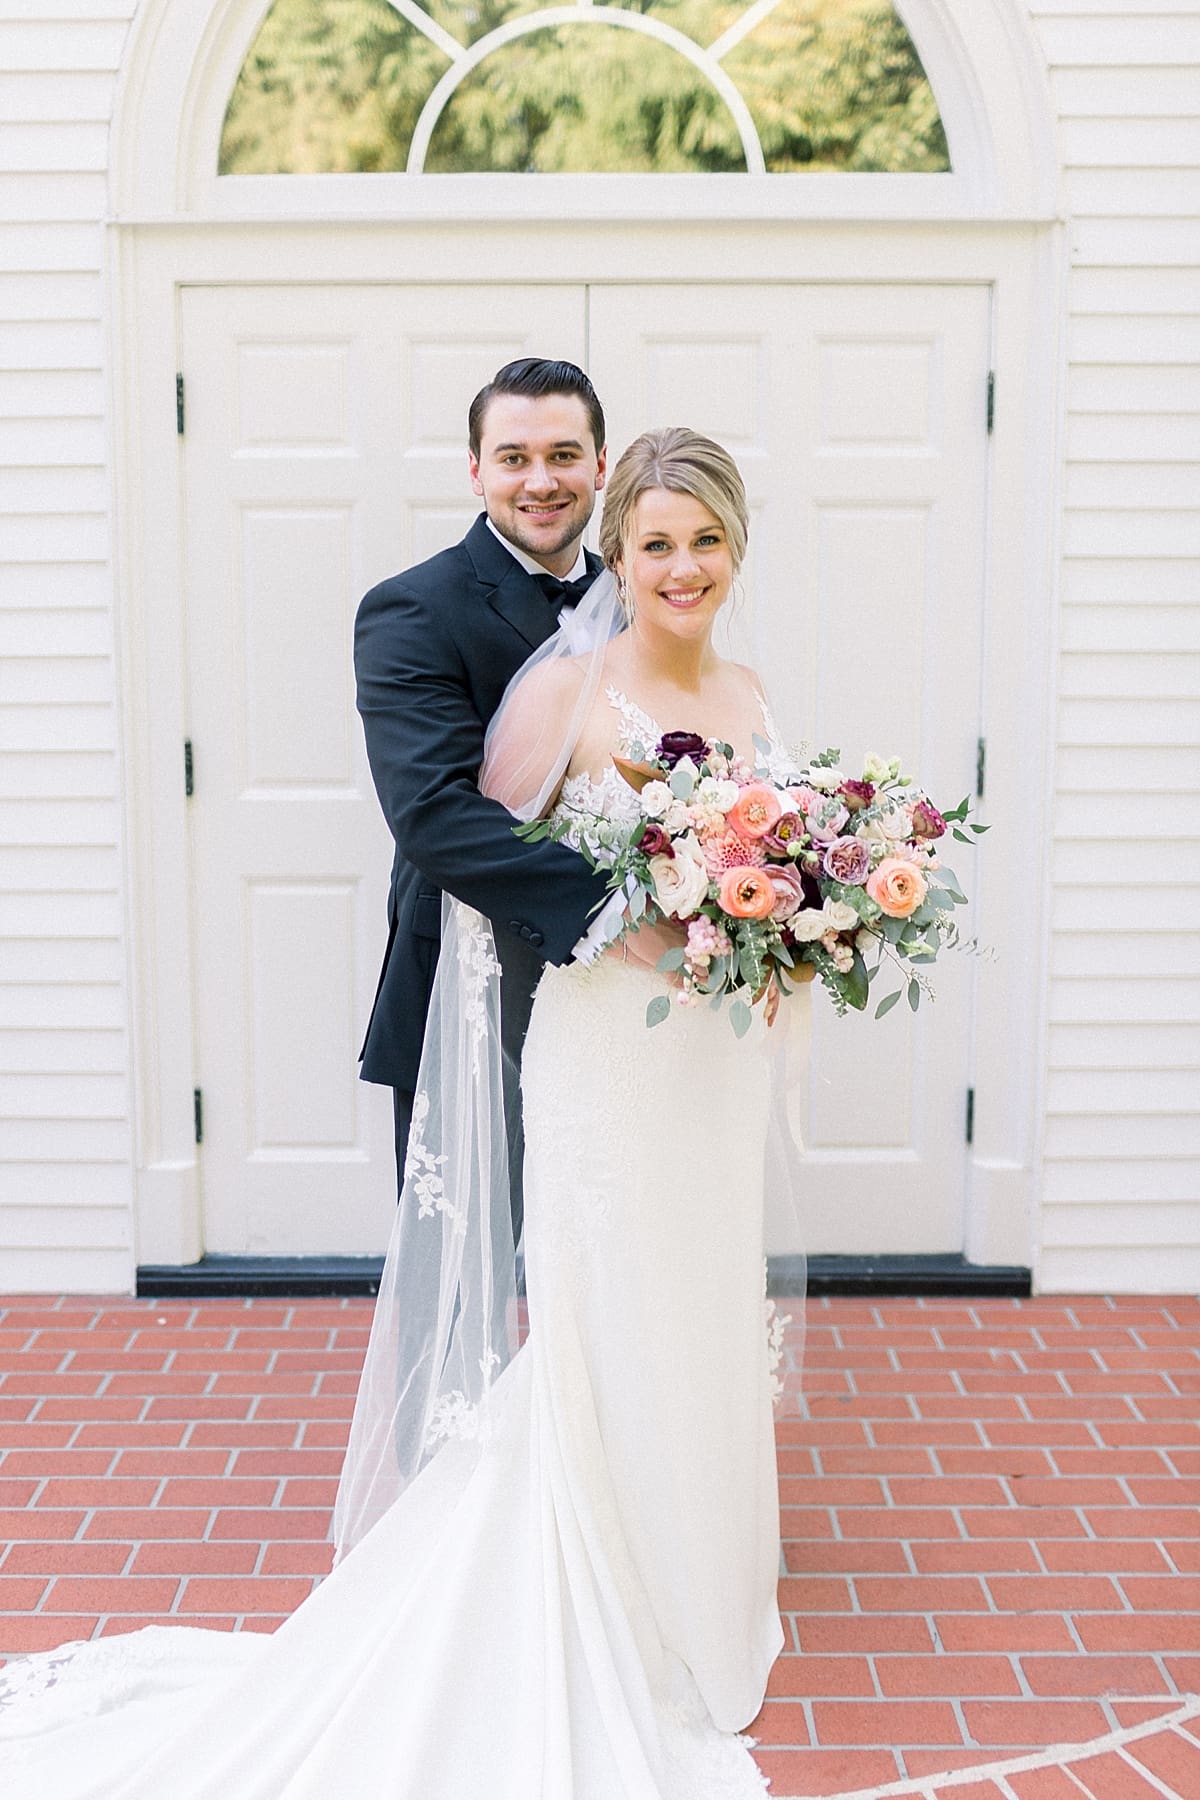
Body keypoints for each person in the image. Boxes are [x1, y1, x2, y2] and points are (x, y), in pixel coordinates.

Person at [0, 429, 811, 1800]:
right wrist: (625, 924)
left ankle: (702, 1564)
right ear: (618, 554)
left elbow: (771, 857)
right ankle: (610, 1584)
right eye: (658, 542)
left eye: (707, 540)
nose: (684, 565)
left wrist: (798, 926)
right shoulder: (563, 688)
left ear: (739, 547)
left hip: (710, 1067)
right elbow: (465, 853)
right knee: (610, 1310)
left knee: (696, 1300)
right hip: (609, 1057)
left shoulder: (749, 688)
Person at [354, 356, 620, 1241]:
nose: (540, 481)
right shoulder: (412, 609)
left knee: (604, 1252)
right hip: (469, 984)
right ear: (476, 470)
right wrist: (627, 906)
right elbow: (433, 813)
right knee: (467, 1271)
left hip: (630, 998)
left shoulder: (646, 597)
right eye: (514, 457)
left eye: (563, 455)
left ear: (600, 464)